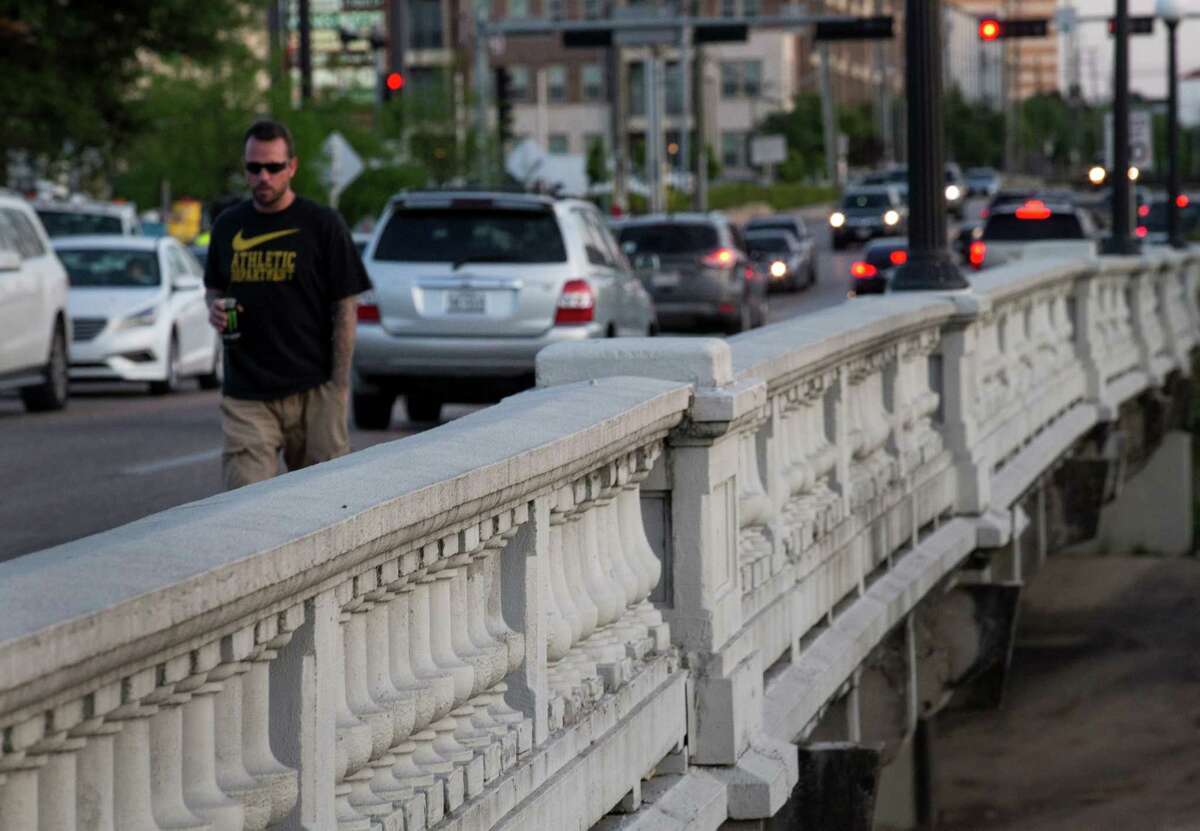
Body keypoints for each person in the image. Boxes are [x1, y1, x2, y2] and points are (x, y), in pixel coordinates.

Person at [204, 119, 371, 490]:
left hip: (314, 388)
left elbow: (346, 308)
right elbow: (214, 289)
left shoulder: (322, 224)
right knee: (244, 504)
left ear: (291, 167)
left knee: (323, 504)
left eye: (273, 167)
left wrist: (339, 387)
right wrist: (213, 307)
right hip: (247, 392)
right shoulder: (228, 226)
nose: (264, 177)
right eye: (254, 168)